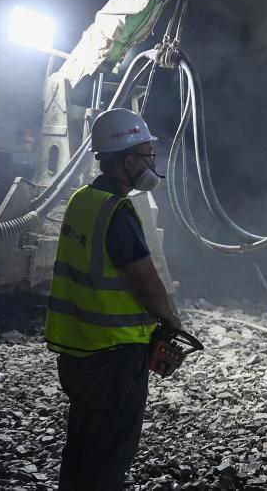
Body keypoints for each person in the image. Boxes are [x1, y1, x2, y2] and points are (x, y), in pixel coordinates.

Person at [44, 108, 181, 490]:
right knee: (108, 456)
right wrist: (170, 318)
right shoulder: (117, 211)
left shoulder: (81, 200)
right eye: (147, 154)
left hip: (77, 352)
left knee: (82, 447)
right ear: (130, 161)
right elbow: (147, 284)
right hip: (113, 357)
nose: (152, 162)